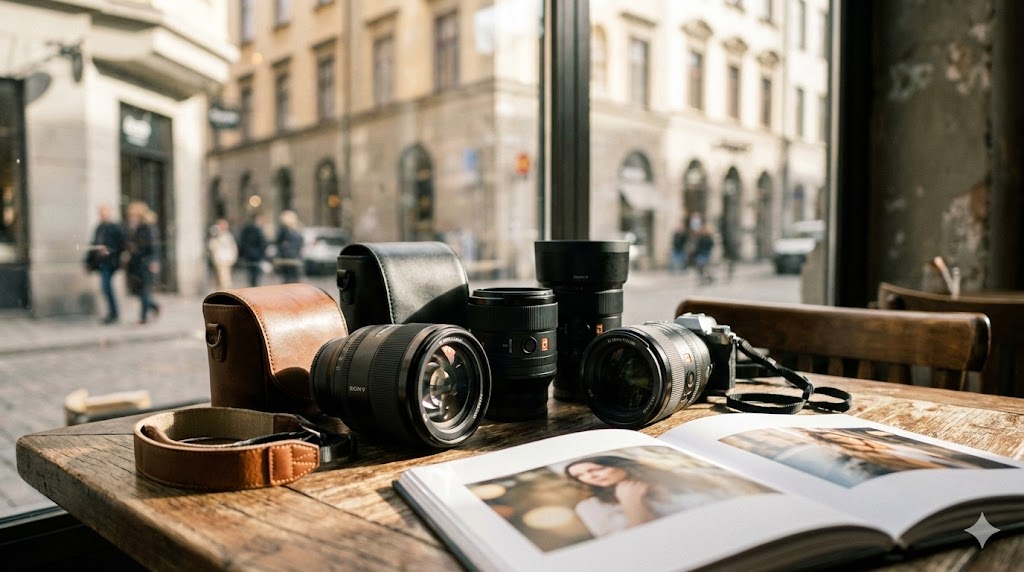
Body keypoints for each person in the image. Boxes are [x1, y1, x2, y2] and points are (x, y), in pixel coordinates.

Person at [564, 454, 770, 538]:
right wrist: (632, 503)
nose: (590, 478)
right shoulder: (592, 507)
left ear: (616, 464)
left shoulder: (679, 477)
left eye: (594, 470)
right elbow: (633, 549)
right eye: (581, 476)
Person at [87, 205, 125, 324]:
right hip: (101, 262)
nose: (102, 215)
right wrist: (88, 261)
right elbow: (94, 244)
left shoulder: (115, 227)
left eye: (104, 212)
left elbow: (121, 245)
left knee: (106, 287)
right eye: (100, 213)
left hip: (110, 262)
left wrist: (109, 251)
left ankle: (113, 313)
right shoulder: (99, 227)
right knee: (106, 288)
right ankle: (113, 313)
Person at [125, 201, 161, 324]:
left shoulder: (148, 228)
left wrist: (154, 261)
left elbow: (152, 247)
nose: (131, 217)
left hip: (146, 263)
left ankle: (143, 318)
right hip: (136, 263)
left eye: (133, 215)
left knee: (144, 290)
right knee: (138, 290)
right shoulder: (134, 228)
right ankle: (154, 306)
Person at [238, 213, 269, 287]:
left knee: (253, 274)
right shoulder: (255, 229)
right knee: (255, 274)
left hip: (251, 254)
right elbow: (260, 243)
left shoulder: (249, 228)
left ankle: (253, 286)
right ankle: (254, 288)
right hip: (255, 254)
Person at [207, 218, 238, 290]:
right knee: (224, 278)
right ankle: (225, 292)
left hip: (228, 258)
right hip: (220, 258)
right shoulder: (216, 234)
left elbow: (233, 246)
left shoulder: (228, 234)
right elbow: (211, 246)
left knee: (223, 277)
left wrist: (234, 257)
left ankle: (221, 291)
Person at [274, 210, 304, 284]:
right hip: (287, 258)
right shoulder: (283, 231)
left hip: (294, 257)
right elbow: (279, 243)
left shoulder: (296, 229)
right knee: (288, 278)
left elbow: (300, 242)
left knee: (294, 278)